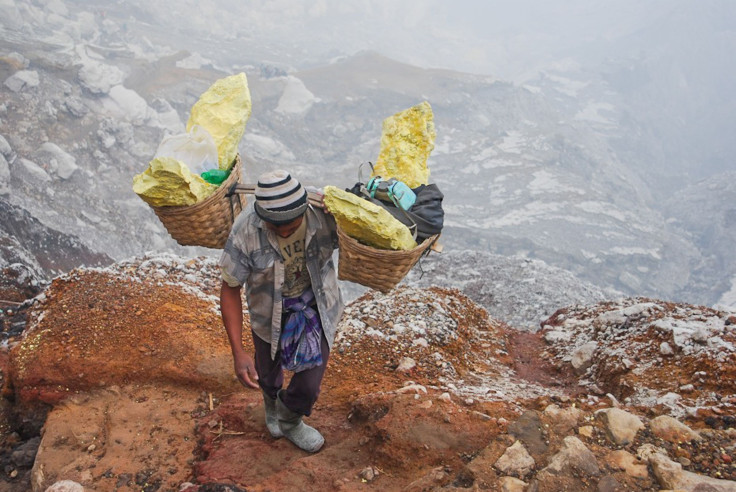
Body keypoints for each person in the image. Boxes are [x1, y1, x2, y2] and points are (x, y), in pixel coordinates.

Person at [219, 169, 344, 453]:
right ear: (263, 219)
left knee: (310, 384)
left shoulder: (324, 213)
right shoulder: (245, 230)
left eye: (292, 225)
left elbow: (364, 232)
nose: (285, 232)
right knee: (268, 371)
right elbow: (229, 288)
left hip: (317, 306)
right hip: (268, 313)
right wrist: (237, 351)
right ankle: (271, 401)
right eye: (277, 228)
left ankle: (291, 419)